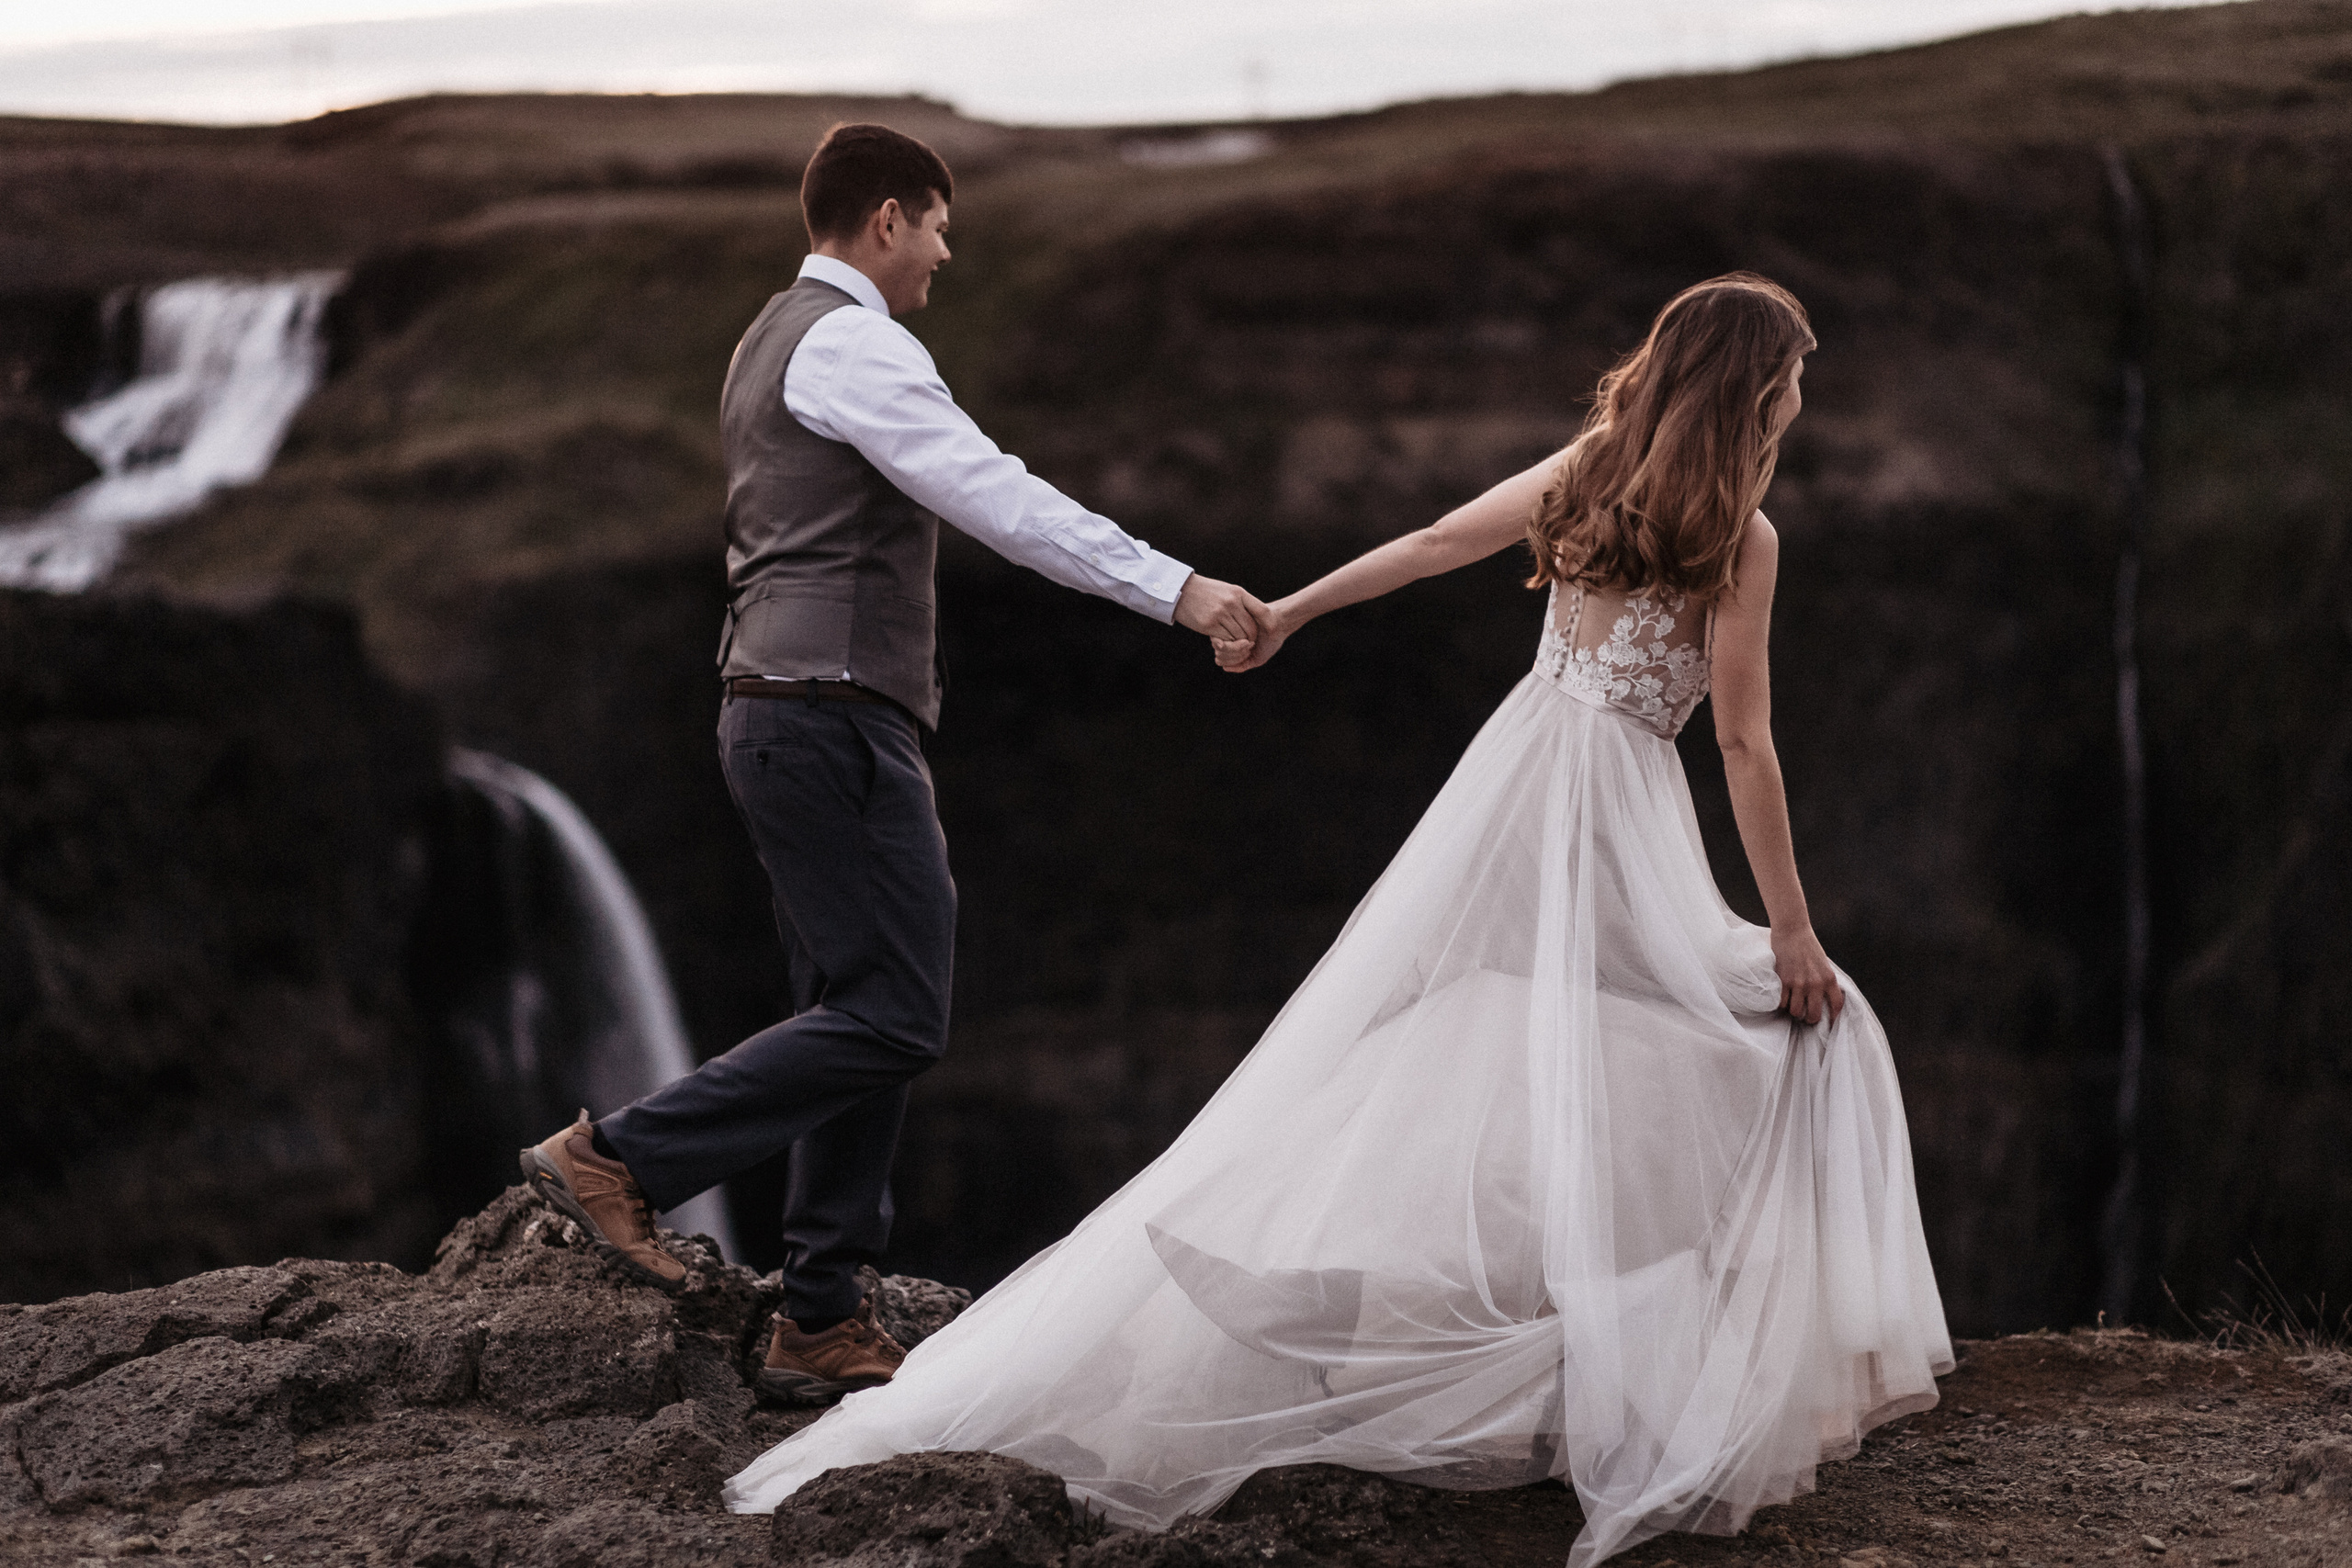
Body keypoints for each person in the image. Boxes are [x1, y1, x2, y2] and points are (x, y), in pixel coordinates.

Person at [719, 272, 1954, 1565]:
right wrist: (1793, 930)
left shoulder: (1592, 471)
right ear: (1757, 389)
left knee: (1503, 1049)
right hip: (1618, 809)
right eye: (1797, 375)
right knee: (1792, 1032)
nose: (1806, 396)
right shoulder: (1741, 533)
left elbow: (1431, 543)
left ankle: (1498, 1345)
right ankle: (1621, 1373)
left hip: (1520, 781)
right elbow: (1746, 743)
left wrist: (1293, 614)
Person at [517, 122, 1275, 1406]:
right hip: (829, 715)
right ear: (882, 219)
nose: (941, 254)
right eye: (934, 226)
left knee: (854, 1007)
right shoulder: (857, 344)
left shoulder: (766, 337)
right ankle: (621, 1160)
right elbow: (1000, 498)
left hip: (778, 709)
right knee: (896, 1011)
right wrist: (1183, 591)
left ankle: (819, 1313)